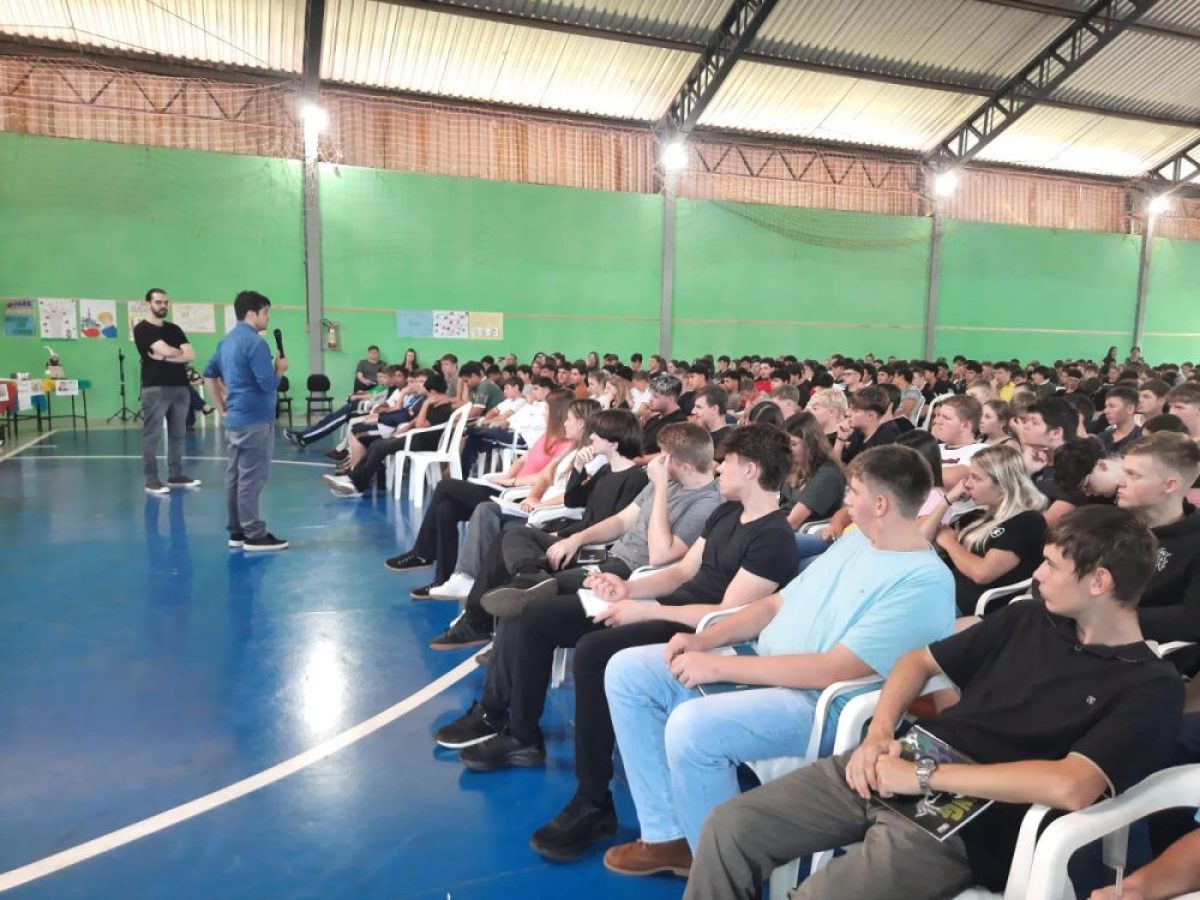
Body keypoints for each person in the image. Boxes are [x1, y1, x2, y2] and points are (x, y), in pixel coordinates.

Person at [686, 505, 1184, 900]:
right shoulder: (1028, 620)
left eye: (1052, 565)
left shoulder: (1148, 685)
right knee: (731, 827)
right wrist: (880, 735)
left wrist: (924, 778)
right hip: (905, 759)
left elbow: (1072, 785)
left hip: (977, 816)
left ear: (1100, 582)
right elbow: (916, 661)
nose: (1038, 574)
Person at [602, 444, 956, 876]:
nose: (845, 499)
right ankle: (669, 836)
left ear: (879, 504)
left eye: (853, 491)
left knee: (693, 727)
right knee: (628, 671)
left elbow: (832, 669)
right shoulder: (857, 544)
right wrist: (706, 640)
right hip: (764, 662)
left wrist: (719, 666)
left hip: (818, 703)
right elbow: (775, 605)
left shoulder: (923, 581)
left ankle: (720, 870)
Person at [203, 290, 288, 551]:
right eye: (265, 314)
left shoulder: (226, 342)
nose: (268, 319)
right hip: (256, 420)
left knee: (236, 477)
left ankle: (237, 530)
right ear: (252, 314)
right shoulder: (256, 343)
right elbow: (267, 384)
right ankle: (254, 533)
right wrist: (280, 370)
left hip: (236, 419)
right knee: (251, 478)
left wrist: (220, 407)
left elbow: (208, 375)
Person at [921, 443, 1047, 616]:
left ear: (1002, 487)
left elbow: (982, 573)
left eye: (976, 478)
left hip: (967, 608)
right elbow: (920, 542)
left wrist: (950, 543)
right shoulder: (976, 515)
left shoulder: (1027, 522)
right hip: (937, 593)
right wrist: (947, 500)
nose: (967, 484)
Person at [134, 288, 201, 495]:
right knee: (152, 435)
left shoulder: (174, 328)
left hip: (180, 388)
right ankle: (152, 479)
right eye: (158, 302)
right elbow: (167, 349)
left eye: (165, 302)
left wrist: (165, 356)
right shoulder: (142, 329)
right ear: (148, 304)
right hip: (155, 388)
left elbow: (190, 354)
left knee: (178, 434)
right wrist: (174, 353)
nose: (162, 306)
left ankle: (176, 474)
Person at [781, 412, 845, 530]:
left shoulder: (828, 475)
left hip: (800, 532)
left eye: (793, 444)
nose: (788, 450)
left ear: (810, 444)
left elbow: (794, 522)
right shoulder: (796, 466)